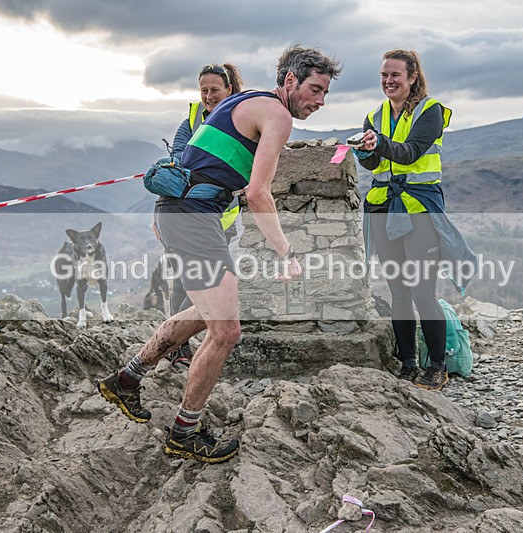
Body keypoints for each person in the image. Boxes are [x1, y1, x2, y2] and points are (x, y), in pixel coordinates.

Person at [99, 45, 342, 463]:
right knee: (227, 332)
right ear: (289, 81)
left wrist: (167, 216)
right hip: (193, 216)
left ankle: (126, 379)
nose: (320, 102)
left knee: (203, 313)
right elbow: (258, 193)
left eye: (324, 94)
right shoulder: (277, 115)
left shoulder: (242, 101)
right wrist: (286, 251)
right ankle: (184, 433)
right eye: (315, 90)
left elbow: (196, 161)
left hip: (181, 210)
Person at [354, 49, 474, 392]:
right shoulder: (374, 115)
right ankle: (407, 362)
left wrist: (380, 143)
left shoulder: (430, 111)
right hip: (382, 207)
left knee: (423, 290)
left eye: (395, 75)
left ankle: (437, 366)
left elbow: (410, 154)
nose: (388, 81)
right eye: (383, 75)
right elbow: (376, 166)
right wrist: (365, 152)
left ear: (412, 78)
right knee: (398, 291)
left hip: (418, 208)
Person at [163, 63, 244, 369]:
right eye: (204, 90)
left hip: (220, 218)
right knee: (185, 282)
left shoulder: (241, 119)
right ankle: (177, 347)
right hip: (186, 215)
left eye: (215, 90)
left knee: (210, 282)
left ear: (229, 90)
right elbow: (178, 162)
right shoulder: (190, 122)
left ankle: (178, 340)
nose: (209, 96)